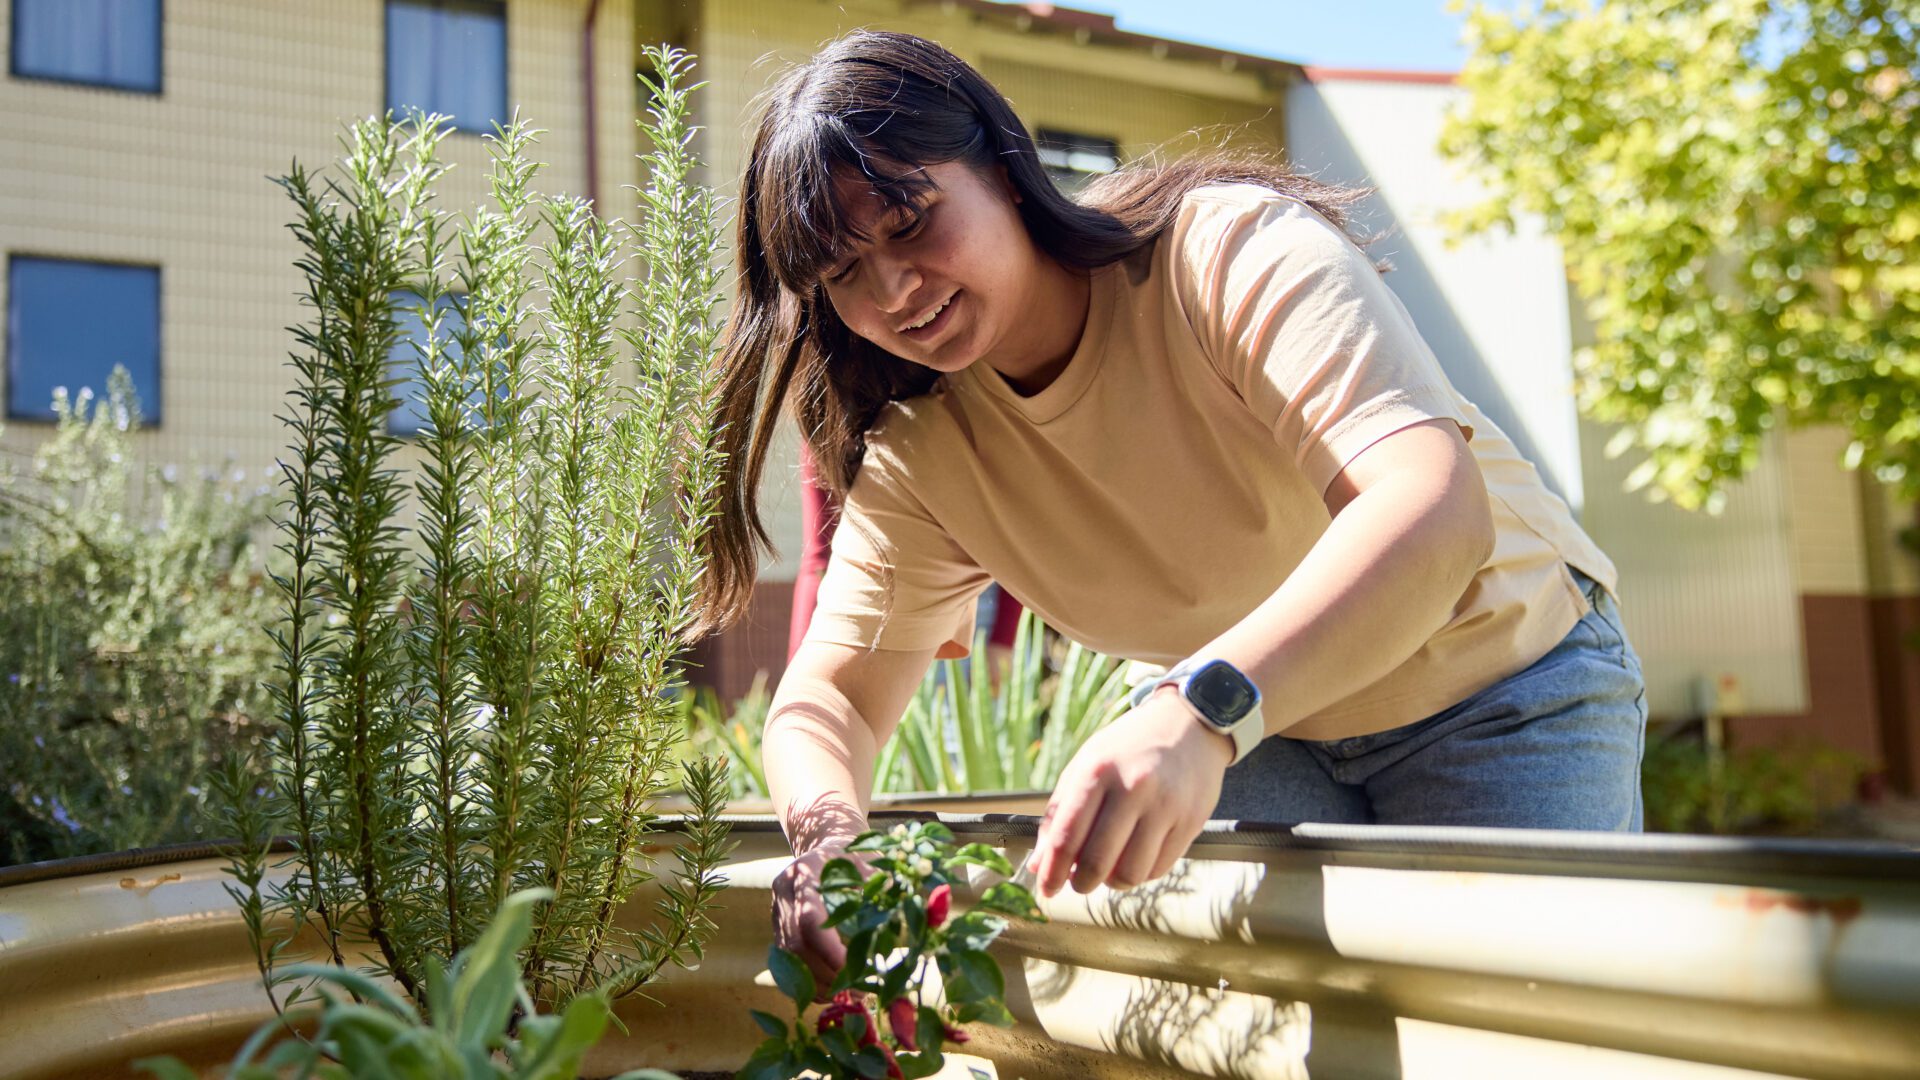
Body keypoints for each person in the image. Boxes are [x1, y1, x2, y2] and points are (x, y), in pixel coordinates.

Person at [692, 30, 1646, 997]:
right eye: (843, 273)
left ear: (1006, 171)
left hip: (1496, 685)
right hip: (1268, 735)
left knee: (1512, 1030)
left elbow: (1431, 510)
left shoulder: (1223, 251)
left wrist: (1200, 714)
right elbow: (835, 700)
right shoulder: (924, 454)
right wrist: (824, 841)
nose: (892, 290)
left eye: (908, 223)